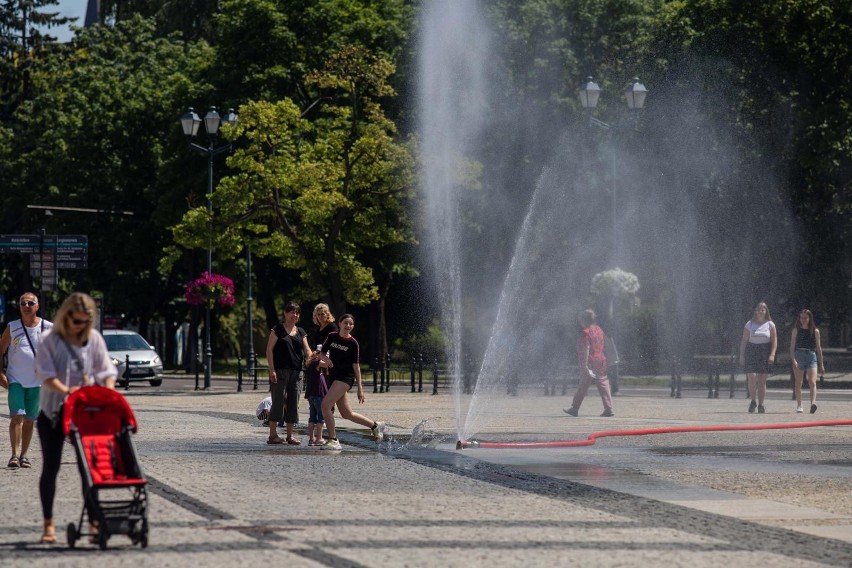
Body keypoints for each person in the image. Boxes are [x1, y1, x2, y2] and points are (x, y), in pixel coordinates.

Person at [34, 292, 117, 544]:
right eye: (76, 321)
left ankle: (93, 522)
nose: (80, 326)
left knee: (88, 470)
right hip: (54, 413)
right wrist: (67, 391)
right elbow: (44, 374)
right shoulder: (50, 339)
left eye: (85, 321)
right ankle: (49, 523)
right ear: (65, 316)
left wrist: (108, 391)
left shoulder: (94, 339)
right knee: (51, 467)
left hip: (85, 415)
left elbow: (106, 370)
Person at [0, 292, 53, 469]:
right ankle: (14, 456)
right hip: (15, 379)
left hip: (37, 382)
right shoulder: (12, 327)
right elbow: (1, 350)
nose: (27, 306)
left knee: (30, 420)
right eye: (23, 303)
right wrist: (1, 373)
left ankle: (24, 456)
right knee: (17, 417)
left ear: (37, 306)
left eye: (31, 303)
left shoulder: (48, 327)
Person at [317, 314, 385, 450]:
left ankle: (333, 439)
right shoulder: (332, 336)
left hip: (345, 378)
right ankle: (375, 426)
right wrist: (327, 359)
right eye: (346, 323)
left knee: (325, 405)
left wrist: (360, 388)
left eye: (351, 324)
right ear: (340, 324)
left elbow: (356, 366)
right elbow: (321, 353)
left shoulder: (353, 343)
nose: (348, 326)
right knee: (346, 413)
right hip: (334, 377)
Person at [265, 301, 312, 445]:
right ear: (285, 313)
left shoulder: (301, 332)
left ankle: (289, 436)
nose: (295, 315)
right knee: (278, 401)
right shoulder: (277, 329)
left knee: (293, 403)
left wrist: (311, 357)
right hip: (280, 371)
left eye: (297, 313)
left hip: (297, 373)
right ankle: (273, 435)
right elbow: (269, 350)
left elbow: (307, 349)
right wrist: (272, 369)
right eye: (292, 312)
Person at [563, 309, 614, 418]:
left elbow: (586, 349)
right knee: (603, 384)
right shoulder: (599, 330)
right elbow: (604, 344)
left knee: (583, 385)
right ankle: (608, 408)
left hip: (590, 362)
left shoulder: (586, 333)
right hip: (601, 360)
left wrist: (584, 365)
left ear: (584, 320)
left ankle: (574, 408)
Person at [304, 304, 339, 446]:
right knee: (322, 402)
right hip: (320, 362)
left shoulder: (332, 327)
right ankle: (324, 435)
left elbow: (334, 345)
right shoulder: (319, 329)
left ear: (327, 314)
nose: (321, 317)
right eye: (318, 315)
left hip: (328, 362)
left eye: (323, 314)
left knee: (326, 400)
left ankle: (328, 434)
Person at [739, 301, 777, 414]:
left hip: (764, 351)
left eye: (763, 309)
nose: (761, 311)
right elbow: (744, 341)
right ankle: (752, 400)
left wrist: (772, 354)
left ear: (766, 311)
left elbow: (774, 341)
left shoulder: (770, 324)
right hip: (751, 350)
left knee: (762, 379)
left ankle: (761, 404)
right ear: (756, 311)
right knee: (751, 376)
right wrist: (741, 355)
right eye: (759, 309)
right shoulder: (749, 324)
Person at [790, 309, 824, 414]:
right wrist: (793, 360)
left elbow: (819, 348)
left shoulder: (815, 331)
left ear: (810, 318)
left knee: (812, 381)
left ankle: (813, 403)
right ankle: (799, 405)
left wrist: (821, 364)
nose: (803, 320)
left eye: (805, 318)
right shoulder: (796, 330)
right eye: (801, 318)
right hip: (799, 355)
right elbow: (791, 347)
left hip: (811, 356)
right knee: (798, 382)